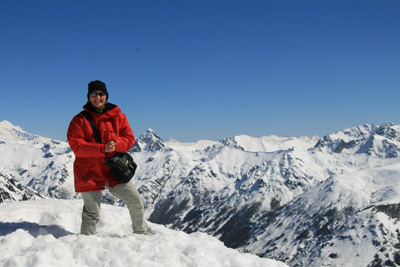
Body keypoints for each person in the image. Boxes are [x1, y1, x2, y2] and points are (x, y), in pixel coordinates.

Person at [67, 80, 149, 235]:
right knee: (92, 212)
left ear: (106, 96)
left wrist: (116, 144)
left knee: (136, 201)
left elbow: (129, 139)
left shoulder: (118, 117)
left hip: (113, 169)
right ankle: (87, 242)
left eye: (101, 94)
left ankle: (141, 234)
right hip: (89, 170)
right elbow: (77, 146)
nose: (97, 97)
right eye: (93, 94)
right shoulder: (79, 120)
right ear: (88, 97)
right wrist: (101, 148)